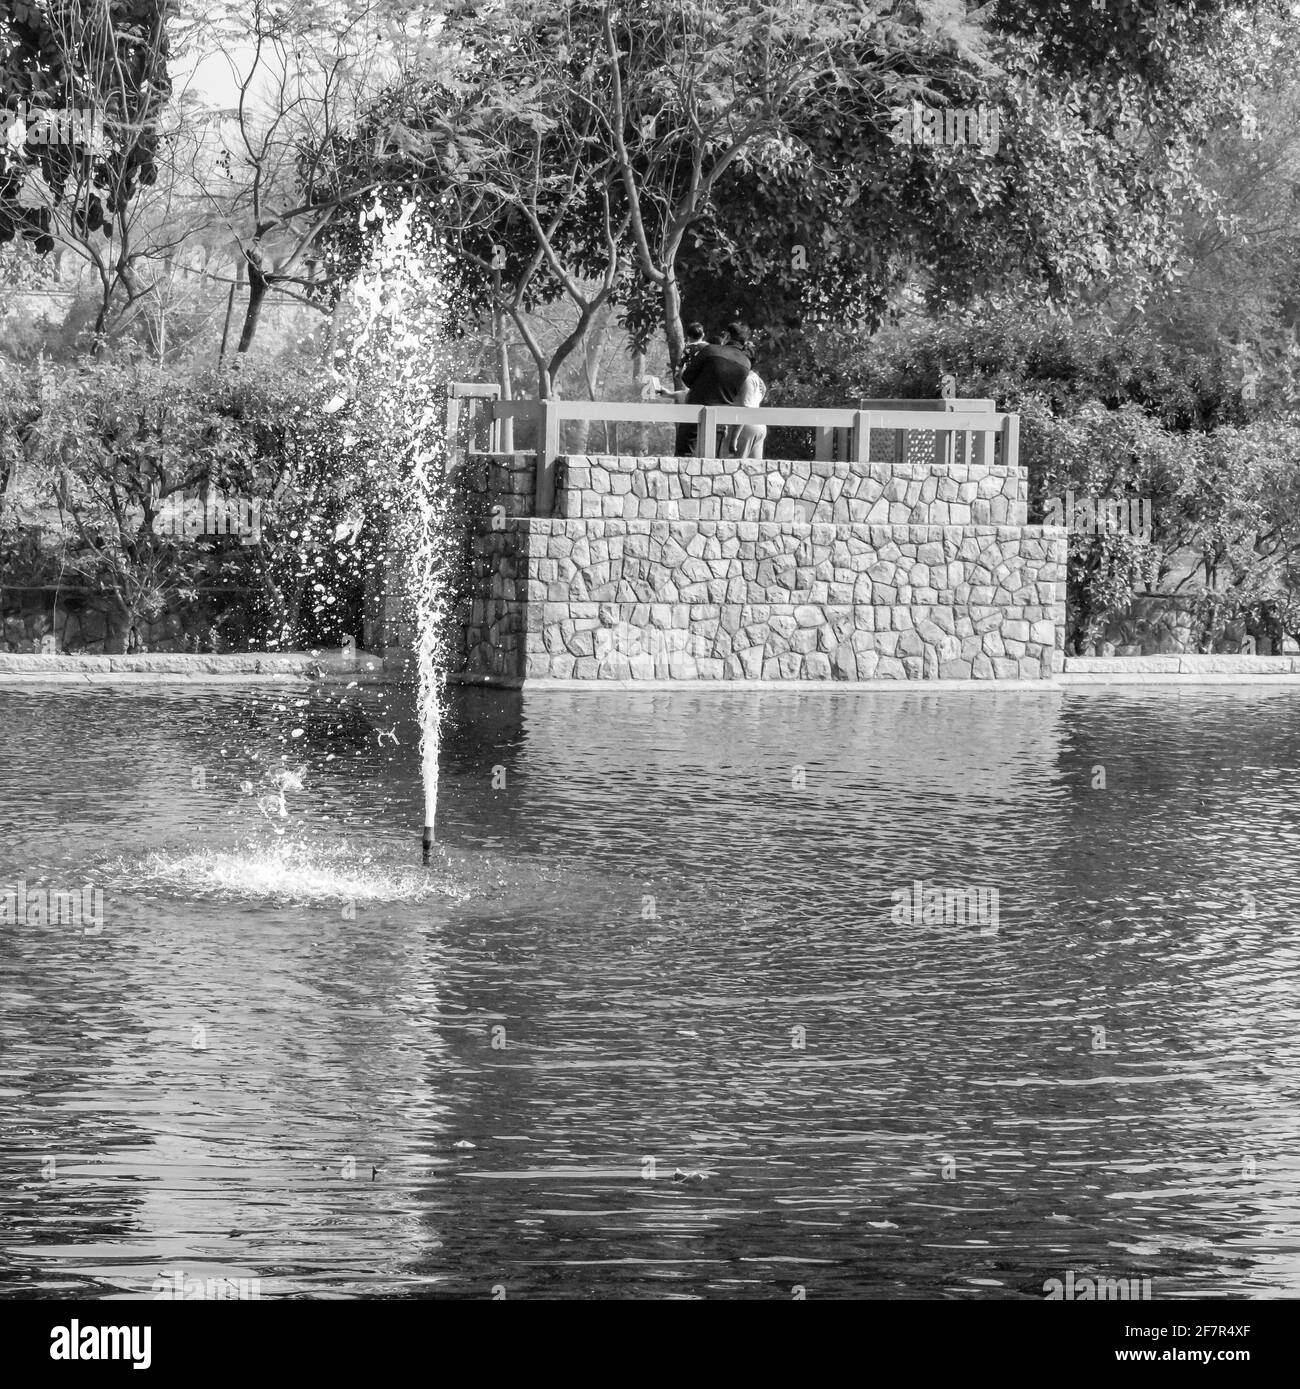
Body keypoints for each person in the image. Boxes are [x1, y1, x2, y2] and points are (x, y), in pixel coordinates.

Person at [677, 322, 751, 456]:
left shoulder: (711, 350)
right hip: (720, 422)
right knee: (712, 467)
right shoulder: (746, 363)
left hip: (694, 415)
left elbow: (687, 378)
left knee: (683, 462)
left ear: (727, 336)